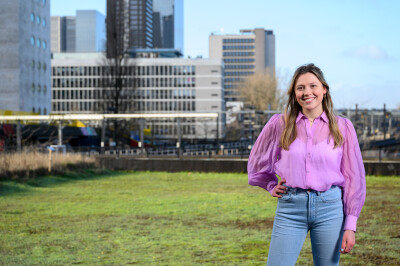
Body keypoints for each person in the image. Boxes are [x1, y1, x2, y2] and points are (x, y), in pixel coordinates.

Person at [247, 63, 366, 266]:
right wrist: (269, 184)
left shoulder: (343, 127)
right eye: (300, 87)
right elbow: (257, 162)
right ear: (294, 93)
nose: (307, 92)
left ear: (324, 90)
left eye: (313, 86)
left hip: (331, 209)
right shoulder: (280, 124)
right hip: (290, 207)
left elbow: (354, 177)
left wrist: (350, 225)